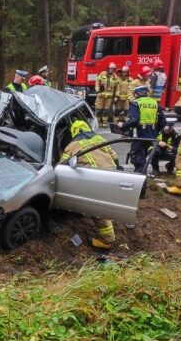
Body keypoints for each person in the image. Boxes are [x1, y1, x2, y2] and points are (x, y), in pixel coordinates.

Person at [62, 120, 120, 250]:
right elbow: (114, 156)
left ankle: (106, 240)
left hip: (95, 179)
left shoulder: (72, 146)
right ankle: (111, 215)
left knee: (97, 209)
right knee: (107, 202)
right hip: (112, 176)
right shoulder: (100, 138)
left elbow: (62, 165)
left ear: (73, 132)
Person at [118, 85, 166, 173]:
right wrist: (155, 131)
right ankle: (155, 171)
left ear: (136, 94)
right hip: (152, 135)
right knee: (151, 154)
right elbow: (163, 122)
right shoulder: (155, 103)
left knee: (138, 159)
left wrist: (123, 125)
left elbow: (134, 120)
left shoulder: (136, 103)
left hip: (139, 135)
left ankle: (140, 179)